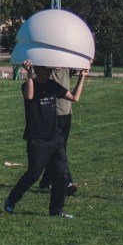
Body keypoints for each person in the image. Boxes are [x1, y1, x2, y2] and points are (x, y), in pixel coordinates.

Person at [4, 60, 87, 218]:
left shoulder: (52, 85)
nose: (49, 71)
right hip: (37, 140)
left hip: (55, 138)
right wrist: (29, 75)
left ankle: (57, 210)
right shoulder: (29, 85)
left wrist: (82, 77)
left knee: (61, 174)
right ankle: (11, 199)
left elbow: (75, 97)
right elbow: (29, 96)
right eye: (45, 68)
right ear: (37, 69)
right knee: (33, 175)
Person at [38, 68, 78, 196]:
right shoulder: (48, 66)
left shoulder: (66, 66)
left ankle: (46, 181)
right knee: (59, 150)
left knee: (59, 148)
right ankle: (67, 182)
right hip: (54, 113)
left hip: (66, 112)